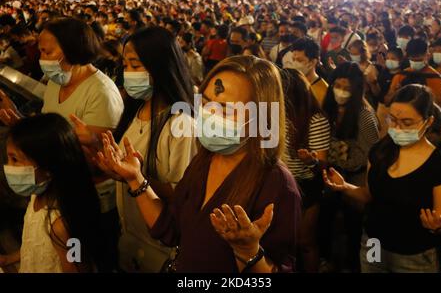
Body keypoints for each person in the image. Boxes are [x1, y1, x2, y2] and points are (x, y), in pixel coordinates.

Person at [98, 55, 301, 272]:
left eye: (226, 109)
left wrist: (248, 251)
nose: (209, 115)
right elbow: (172, 228)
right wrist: (135, 179)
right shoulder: (205, 160)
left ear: (261, 117)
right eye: (205, 102)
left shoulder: (277, 185)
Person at [92, 26, 197, 273]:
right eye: (126, 65)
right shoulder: (135, 109)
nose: (128, 73)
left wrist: (134, 178)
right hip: (131, 236)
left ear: (160, 66)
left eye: (136, 65)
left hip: (162, 247)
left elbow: (184, 197)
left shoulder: (181, 124)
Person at [324, 84, 441, 273]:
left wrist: (436, 226)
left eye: (407, 123)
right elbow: (369, 195)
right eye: (393, 119)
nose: (397, 127)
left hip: (413, 255)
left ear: (428, 122)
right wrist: (344, 187)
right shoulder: (380, 151)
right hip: (373, 243)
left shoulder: (440, 166)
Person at [0, 113, 109, 272]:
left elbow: (78, 267)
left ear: (48, 167)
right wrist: (9, 259)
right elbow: (36, 244)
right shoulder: (37, 195)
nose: (8, 167)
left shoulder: (63, 225)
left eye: (15, 159)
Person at [320, 62, 379, 272]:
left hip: (355, 177)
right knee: (325, 217)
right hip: (332, 172)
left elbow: (371, 152)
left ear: (355, 90)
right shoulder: (328, 108)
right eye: (337, 86)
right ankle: (326, 258)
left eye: (347, 88)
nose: (341, 92)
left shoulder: (364, 115)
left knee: (354, 224)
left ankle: (354, 265)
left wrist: (346, 160)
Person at [281, 68, 330, 272]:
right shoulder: (276, 114)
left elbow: (322, 165)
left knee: (305, 242)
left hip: (305, 187)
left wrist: (310, 161)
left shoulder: (315, 119)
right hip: (281, 183)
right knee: (283, 240)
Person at [385, 39, 441, 111]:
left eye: (419, 60)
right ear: (408, 57)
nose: (415, 62)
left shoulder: (436, 79)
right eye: (413, 60)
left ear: (427, 55)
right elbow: (387, 102)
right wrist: (396, 93)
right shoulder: (400, 76)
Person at [290, 38, 329, 107]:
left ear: (312, 62)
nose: (294, 64)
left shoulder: (324, 92)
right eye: (293, 60)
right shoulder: (291, 84)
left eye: (299, 61)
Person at [348, 40, 380, 109]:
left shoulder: (370, 68)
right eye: (351, 54)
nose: (353, 56)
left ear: (363, 53)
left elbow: (376, 92)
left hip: (365, 100)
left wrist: (372, 83)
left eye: (355, 54)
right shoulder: (352, 64)